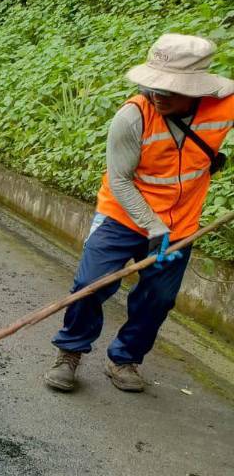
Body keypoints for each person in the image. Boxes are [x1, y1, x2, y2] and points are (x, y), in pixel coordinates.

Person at [44, 34, 234, 393]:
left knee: (158, 298)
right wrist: (151, 224)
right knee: (89, 285)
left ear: (197, 88)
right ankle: (69, 352)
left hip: (181, 223)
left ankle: (125, 359)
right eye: (153, 85)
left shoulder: (224, 106)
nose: (158, 94)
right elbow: (119, 180)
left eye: (170, 88)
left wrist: (166, 228)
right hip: (124, 216)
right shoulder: (132, 116)